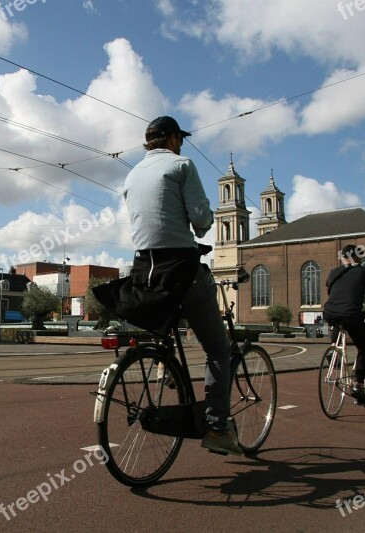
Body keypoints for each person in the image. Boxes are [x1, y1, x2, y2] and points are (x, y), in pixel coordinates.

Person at [120, 116, 241, 456]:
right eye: (181, 140)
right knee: (218, 351)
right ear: (173, 140)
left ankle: (168, 367)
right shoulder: (182, 165)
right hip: (180, 269)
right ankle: (217, 427)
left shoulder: (131, 175)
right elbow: (201, 221)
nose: (183, 145)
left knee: (168, 323)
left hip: (144, 272)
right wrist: (203, 220)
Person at [323, 244, 365, 405]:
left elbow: (334, 295)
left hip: (329, 312)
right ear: (357, 257)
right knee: (363, 348)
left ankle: (334, 349)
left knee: (338, 320)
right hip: (351, 314)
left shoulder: (333, 272)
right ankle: (358, 385)